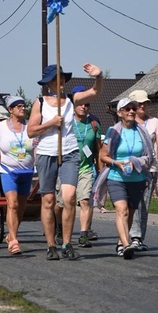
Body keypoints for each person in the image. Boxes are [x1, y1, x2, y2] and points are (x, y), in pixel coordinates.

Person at [27, 63, 103, 261]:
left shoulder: (71, 100)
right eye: (55, 79)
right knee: (49, 200)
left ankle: (67, 243)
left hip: (69, 152)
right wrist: (51, 123)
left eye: (61, 78)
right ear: (49, 83)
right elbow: (31, 130)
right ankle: (51, 245)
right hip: (46, 153)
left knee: (69, 197)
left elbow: (95, 92)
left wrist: (98, 76)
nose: (59, 82)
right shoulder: (40, 103)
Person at [95, 98, 154, 259]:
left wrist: (138, 162)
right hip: (116, 177)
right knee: (121, 210)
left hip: (137, 179)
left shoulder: (142, 131)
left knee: (130, 211)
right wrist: (117, 163)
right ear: (120, 113)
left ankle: (121, 242)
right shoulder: (113, 131)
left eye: (133, 108)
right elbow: (103, 156)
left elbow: (149, 156)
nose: (131, 111)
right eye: (127, 109)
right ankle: (126, 244)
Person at [55, 85, 102, 248]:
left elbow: (98, 149)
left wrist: (99, 169)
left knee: (84, 201)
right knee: (61, 203)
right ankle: (59, 228)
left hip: (86, 168)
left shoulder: (94, 123)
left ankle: (83, 234)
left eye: (87, 104)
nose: (84, 106)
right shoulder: (66, 121)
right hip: (67, 167)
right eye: (80, 103)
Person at [128, 89, 158, 250]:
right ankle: (127, 235)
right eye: (139, 103)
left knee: (143, 204)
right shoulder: (127, 122)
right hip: (131, 169)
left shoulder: (154, 122)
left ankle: (137, 237)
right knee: (131, 203)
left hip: (149, 170)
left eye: (145, 103)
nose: (142, 106)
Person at [0, 96, 36, 255]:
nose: (22, 108)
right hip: (8, 170)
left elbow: (36, 147)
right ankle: (13, 240)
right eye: (18, 106)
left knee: (21, 207)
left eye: (24, 106)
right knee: (12, 204)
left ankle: (11, 234)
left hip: (27, 171)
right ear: (10, 110)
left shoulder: (30, 126)